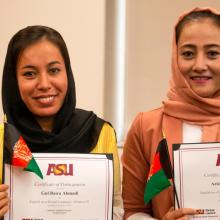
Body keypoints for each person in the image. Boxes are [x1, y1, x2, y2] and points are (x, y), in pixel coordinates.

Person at [0, 25, 123, 219]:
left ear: (67, 72)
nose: (44, 84)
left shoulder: (99, 132)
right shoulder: (2, 140)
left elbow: (116, 209)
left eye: (54, 70)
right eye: (29, 74)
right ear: (13, 80)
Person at [122, 7, 220, 220]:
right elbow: (134, 210)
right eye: (188, 53)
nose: (199, 65)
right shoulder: (146, 127)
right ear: (175, 56)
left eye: (213, 53)